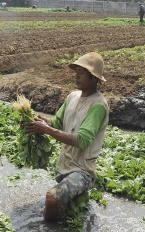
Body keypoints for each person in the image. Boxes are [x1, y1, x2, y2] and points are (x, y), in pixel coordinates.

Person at [25, 53, 109, 221]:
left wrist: (47, 130)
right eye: (76, 71)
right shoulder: (72, 97)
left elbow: (83, 140)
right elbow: (57, 122)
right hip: (64, 165)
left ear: (94, 78)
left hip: (82, 171)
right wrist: (42, 122)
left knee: (51, 198)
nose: (76, 76)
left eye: (82, 72)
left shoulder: (98, 105)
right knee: (68, 209)